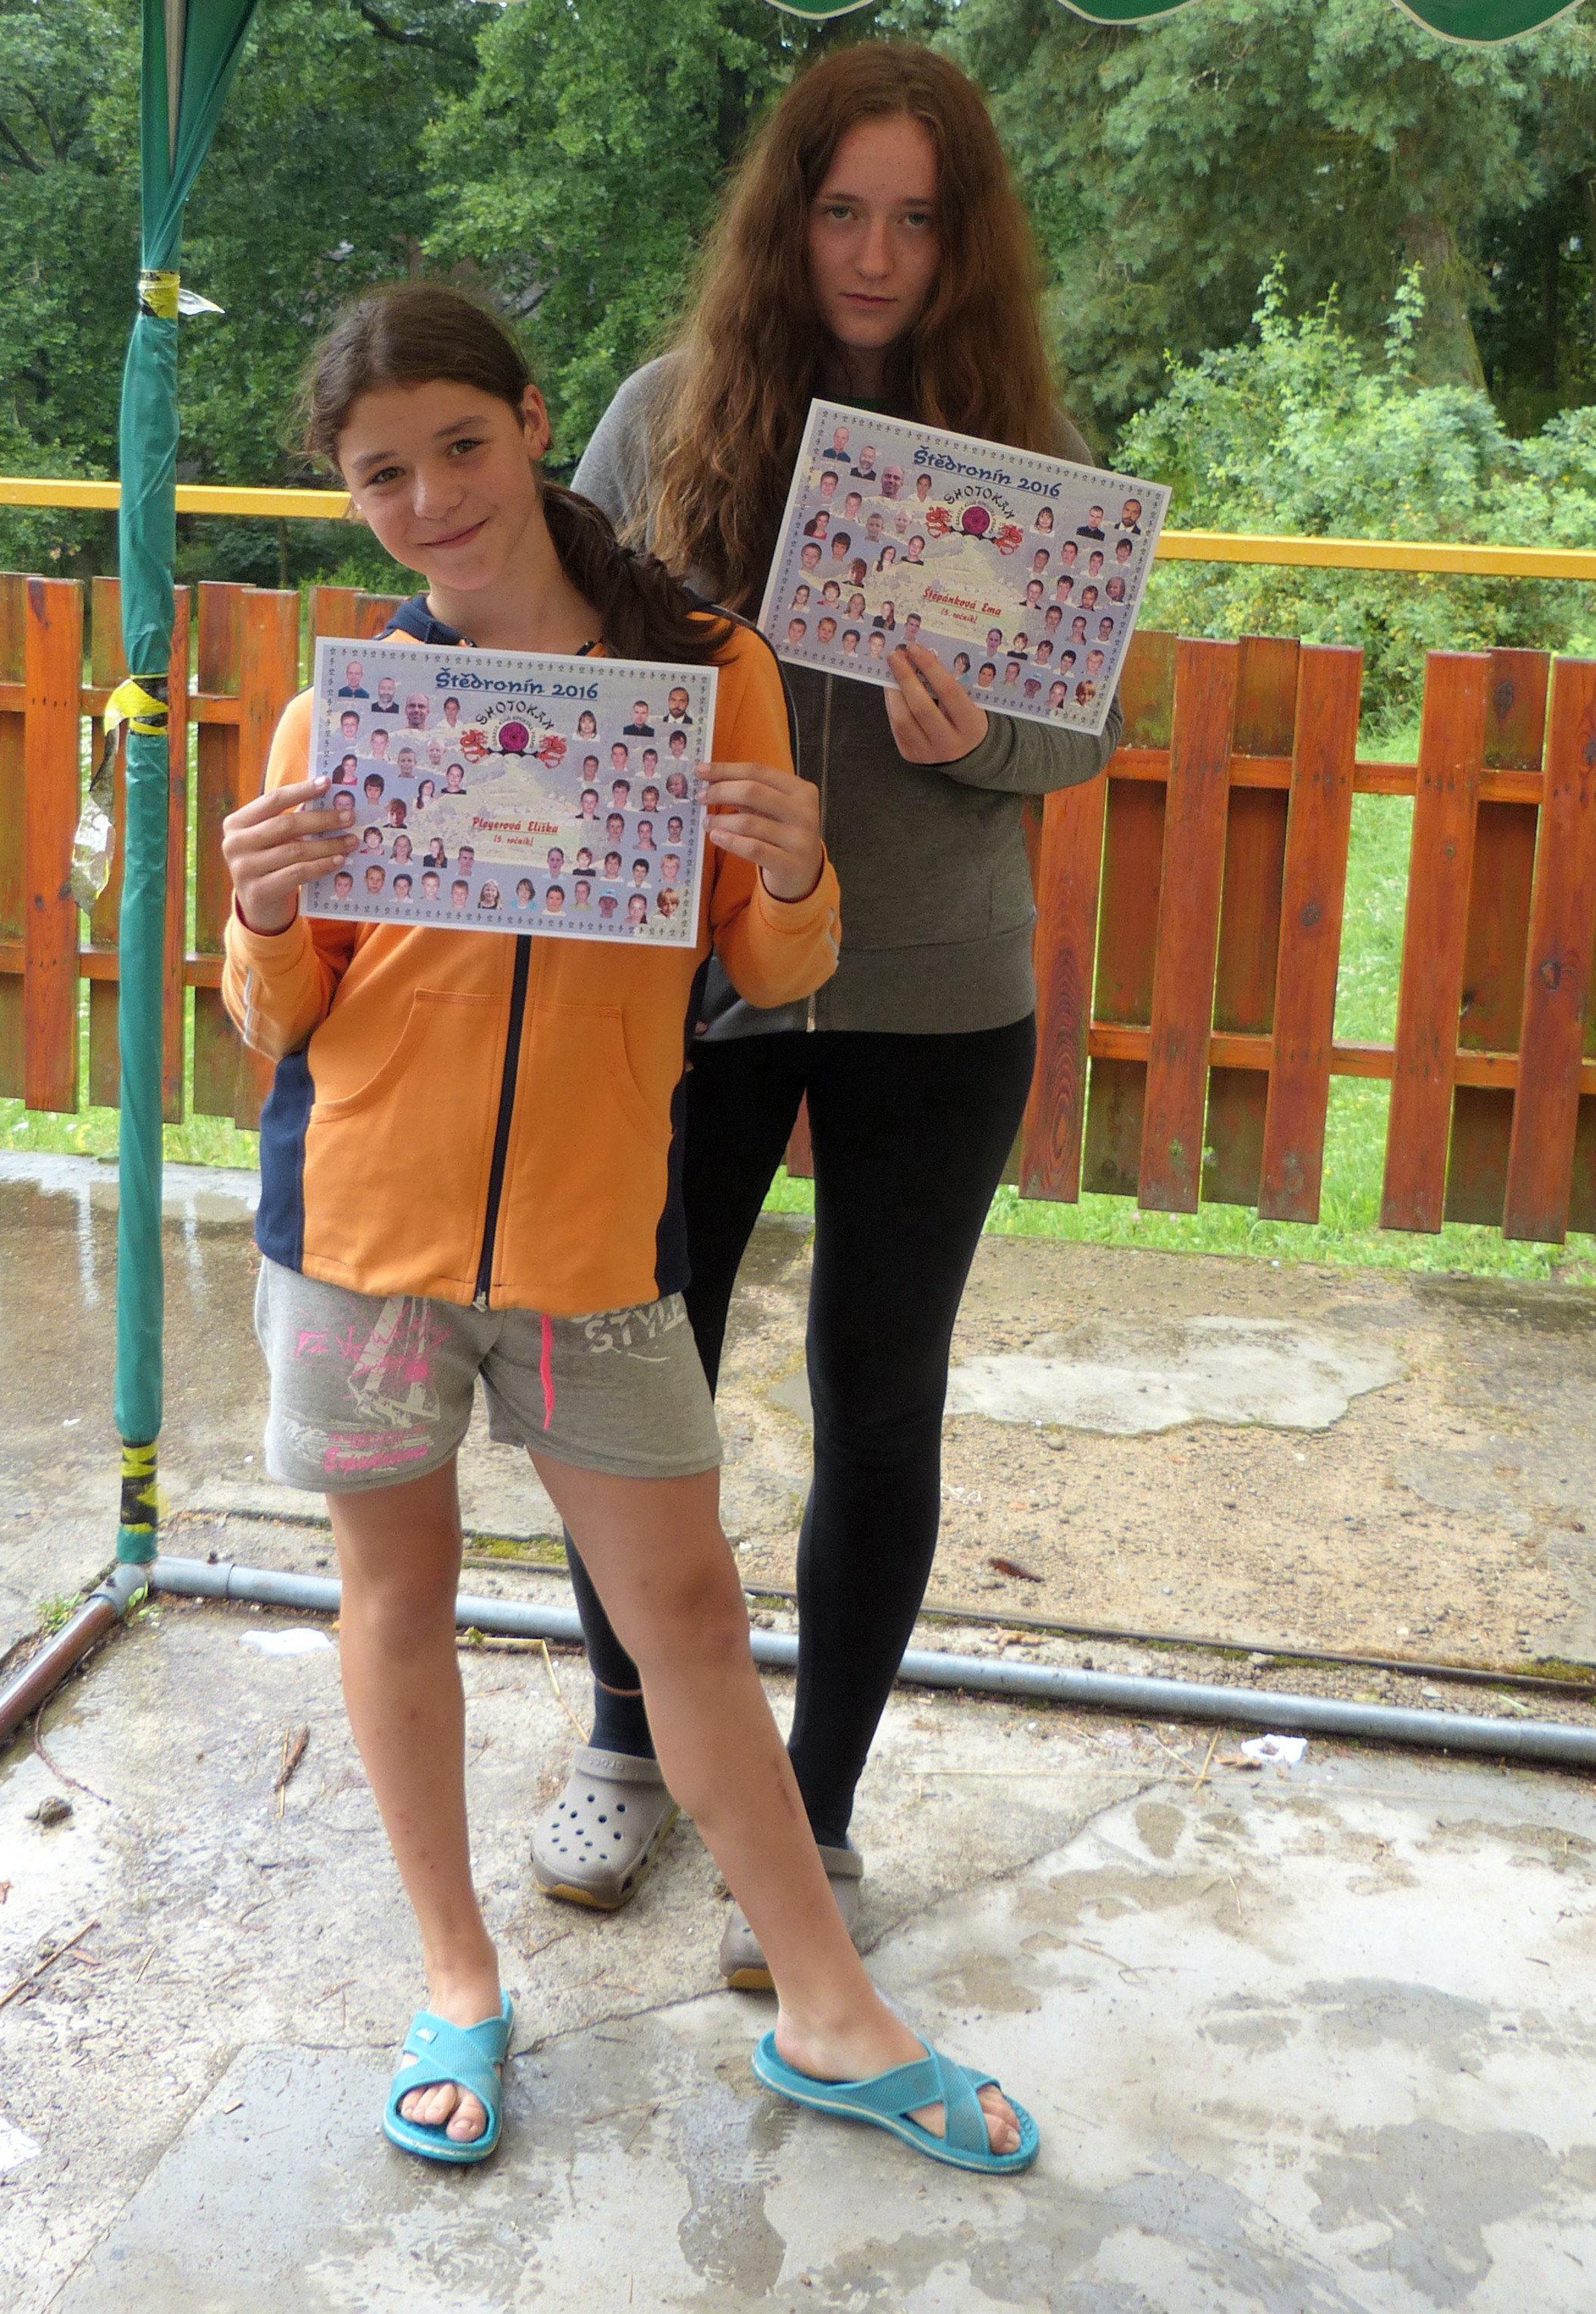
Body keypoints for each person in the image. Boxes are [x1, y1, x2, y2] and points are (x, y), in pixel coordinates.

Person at [224, 281, 1028, 2173]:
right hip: (357, 1240)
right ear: (351, 497)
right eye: (382, 476)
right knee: (392, 1598)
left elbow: (773, 970)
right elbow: (282, 1019)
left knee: (686, 1615)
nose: (431, 499)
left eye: (461, 446)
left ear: (533, 421)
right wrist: (257, 910)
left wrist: (800, 868)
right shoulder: (344, 712)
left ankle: (828, 2009)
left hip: (594, 1241)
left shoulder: (702, 671)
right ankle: (456, 1981)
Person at [563, 42, 1121, 2027]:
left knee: (878, 1400)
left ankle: (815, 1810)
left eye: (914, 218)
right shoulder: (658, 417)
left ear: (962, 243)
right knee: (634, 1379)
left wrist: (983, 739)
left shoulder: (1026, 455)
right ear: (782, 220)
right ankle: (626, 1740)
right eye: (838, 210)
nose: (873, 253)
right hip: (693, 989)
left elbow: (1076, 732)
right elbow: (561, 656)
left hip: (936, 997)